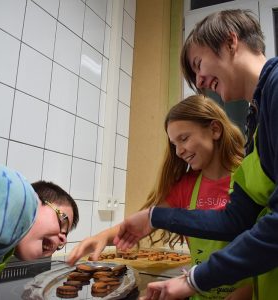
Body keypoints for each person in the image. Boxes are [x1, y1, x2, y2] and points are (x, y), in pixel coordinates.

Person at [113, 9, 278, 300]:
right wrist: (154, 216)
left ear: (230, 42)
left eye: (199, 64)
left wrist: (194, 280)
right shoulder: (257, 118)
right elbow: (234, 220)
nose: (200, 82)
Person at [67, 95, 252, 299]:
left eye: (184, 138)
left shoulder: (249, 175)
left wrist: (245, 292)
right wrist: (101, 237)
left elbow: (267, 245)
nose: (179, 151)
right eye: (174, 144)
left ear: (215, 130)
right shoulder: (186, 187)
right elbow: (143, 221)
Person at [0, 153, 79, 297]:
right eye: (63, 221)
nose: (63, 240)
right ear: (40, 201)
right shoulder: (24, 200)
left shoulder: (3, 245)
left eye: (65, 234)